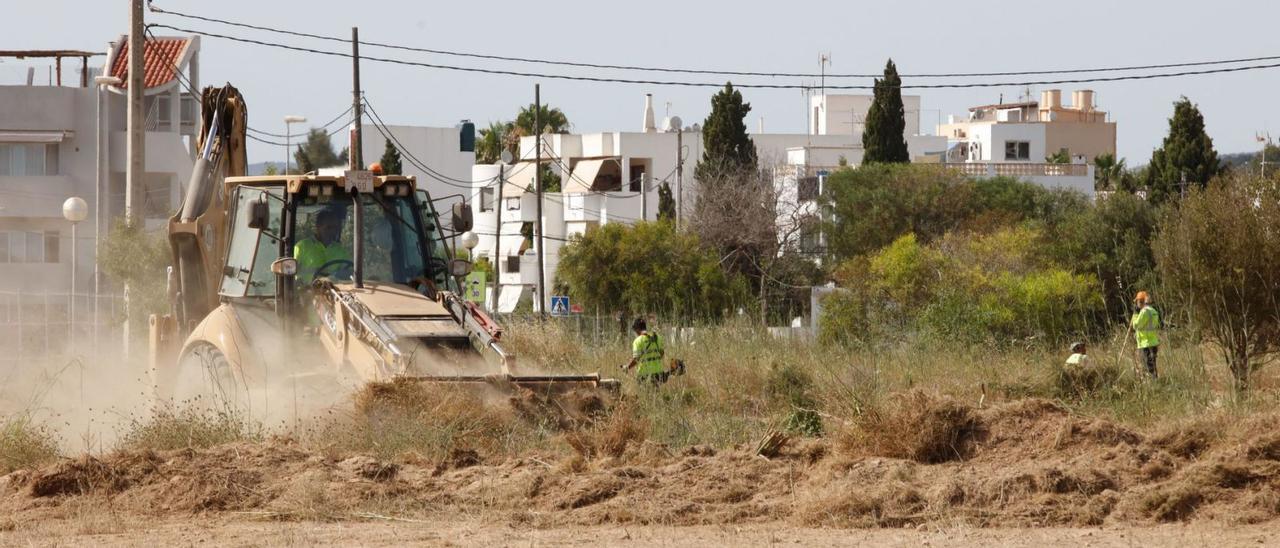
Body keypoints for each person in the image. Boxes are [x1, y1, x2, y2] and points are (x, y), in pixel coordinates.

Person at [295, 204, 352, 281]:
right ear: (318, 226)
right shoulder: (302, 247)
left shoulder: (341, 250)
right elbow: (289, 271)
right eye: (328, 227)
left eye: (335, 228)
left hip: (335, 291)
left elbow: (349, 273)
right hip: (306, 291)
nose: (332, 231)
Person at [623, 318, 667, 384]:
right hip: (658, 374)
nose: (635, 332)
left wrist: (627, 367)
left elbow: (636, 359)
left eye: (635, 330)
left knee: (644, 393)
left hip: (644, 375)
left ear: (637, 328)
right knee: (656, 393)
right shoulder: (657, 337)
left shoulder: (638, 341)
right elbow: (662, 354)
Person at [1131, 291, 1161, 378]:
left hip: (1146, 344)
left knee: (1148, 368)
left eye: (1137, 302)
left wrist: (1136, 314)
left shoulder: (1144, 312)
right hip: (1153, 342)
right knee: (1152, 367)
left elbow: (1135, 325)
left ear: (1140, 301)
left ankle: (1153, 386)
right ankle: (1155, 384)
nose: (1136, 304)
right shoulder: (1153, 311)